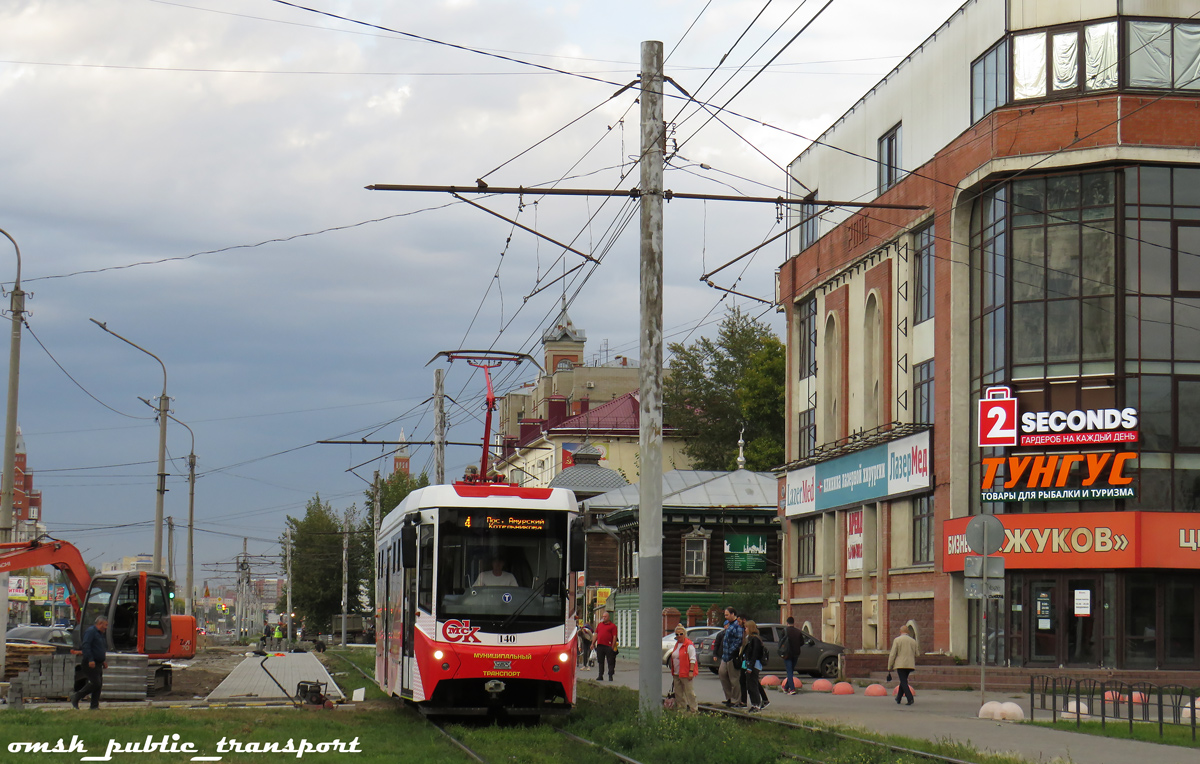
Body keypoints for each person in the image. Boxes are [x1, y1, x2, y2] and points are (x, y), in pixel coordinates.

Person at [71, 615, 108, 710]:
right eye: (105, 625)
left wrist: (103, 660)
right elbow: (86, 646)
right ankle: (77, 696)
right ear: (100, 623)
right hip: (90, 663)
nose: (106, 627)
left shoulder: (100, 634)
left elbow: (99, 648)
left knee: (98, 685)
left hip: (98, 663)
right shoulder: (91, 632)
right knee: (95, 683)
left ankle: (94, 706)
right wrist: (91, 659)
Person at [667, 624, 699, 713]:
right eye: (677, 634)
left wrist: (691, 671)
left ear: (684, 634)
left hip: (686, 672)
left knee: (689, 693)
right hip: (677, 673)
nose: (679, 636)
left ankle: (694, 710)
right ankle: (681, 709)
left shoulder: (689, 645)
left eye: (681, 634)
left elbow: (692, 659)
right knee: (678, 693)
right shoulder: (677, 645)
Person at [717, 606, 744, 707]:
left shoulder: (737, 626)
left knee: (734, 678)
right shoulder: (729, 625)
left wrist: (732, 650)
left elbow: (739, 640)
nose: (726, 617)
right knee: (722, 674)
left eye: (727, 615)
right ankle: (728, 697)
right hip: (725, 656)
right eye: (725, 615)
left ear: (733, 614)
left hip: (732, 656)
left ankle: (735, 700)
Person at [742, 620, 770, 712]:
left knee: (753, 686)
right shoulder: (749, 638)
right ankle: (755, 703)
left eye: (746, 627)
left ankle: (756, 704)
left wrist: (750, 667)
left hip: (754, 665)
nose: (745, 629)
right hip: (749, 664)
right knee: (751, 685)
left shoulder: (755, 639)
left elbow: (754, 654)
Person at [888, 625, 919, 706]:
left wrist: (889, 666)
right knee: (903, 680)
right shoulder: (913, 641)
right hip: (910, 664)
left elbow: (893, 654)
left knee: (903, 681)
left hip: (900, 664)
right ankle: (898, 698)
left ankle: (910, 698)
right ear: (908, 632)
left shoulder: (897, 640)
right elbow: (917, 654)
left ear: (900, 631)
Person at [781, 616, 805, 695]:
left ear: (787, 622)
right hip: (796, 653)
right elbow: (802, 642)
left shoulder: (785, 631)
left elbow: (781, 642)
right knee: (791, 671)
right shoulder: (798, 632)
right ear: (793, 623)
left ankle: (792, 689)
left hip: (787, 653)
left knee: (789, 671)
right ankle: (786, 687)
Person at [593, 610, 618, 681]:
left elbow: (614, 636)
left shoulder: (612, 626)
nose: (604, 618)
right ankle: (600, 675)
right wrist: (593, 643)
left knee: (610, 661)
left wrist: (612, 646)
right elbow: (596, 634)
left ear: (608, 617)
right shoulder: (599, 625)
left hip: (608, 646)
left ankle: (610, 675)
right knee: (600, 661)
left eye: (605, 617)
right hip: (600, 645)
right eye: (603, 616)